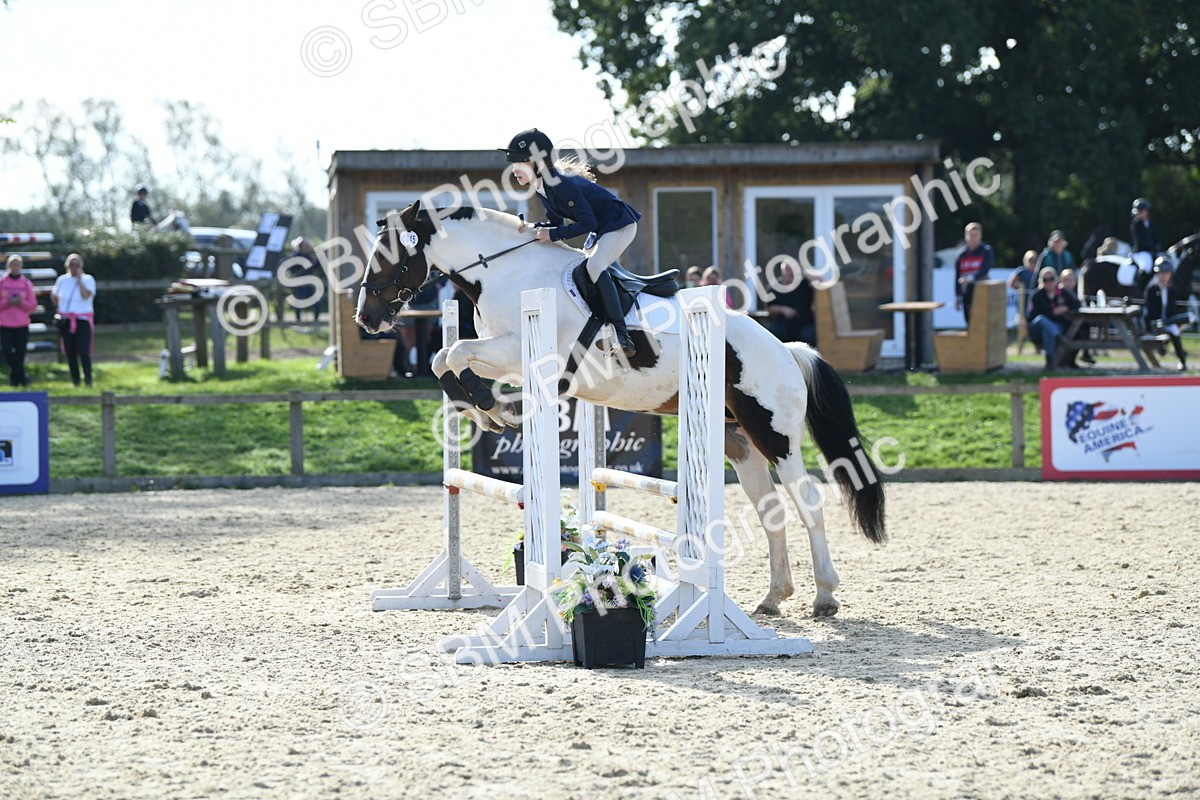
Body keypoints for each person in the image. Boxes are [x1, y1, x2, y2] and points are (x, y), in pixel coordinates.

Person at [499, 128, 642, 357]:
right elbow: (555, 222)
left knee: (595, 266)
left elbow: (586, 222)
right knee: (581, 268)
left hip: (619, 224)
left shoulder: (559, 184)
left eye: (520, 163)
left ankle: (622, 335)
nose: (514, 170)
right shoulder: (542, 187)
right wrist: (532, 229)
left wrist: (552, 235)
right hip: (601, 229)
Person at [52, 253, 97, 387]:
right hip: (66, 320)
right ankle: (75, 381)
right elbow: (55, 296)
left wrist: (79, 281)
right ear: (67, 266)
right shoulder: (62, 280)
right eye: (72, 264)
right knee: (70, 351)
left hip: (82, 319)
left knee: (83, 350)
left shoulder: (88, 279)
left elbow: (86, 296)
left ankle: (88, 380)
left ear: (82, 266)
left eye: (77, 264)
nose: (74, 267)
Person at [1026, 266, 1080, 369]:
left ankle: (1050, 361)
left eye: (1051, 279)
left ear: (1056, 280)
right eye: (1045, 280)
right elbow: (1031, 315)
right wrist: (1053, 313)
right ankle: (1057, 335)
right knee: (1042, 319)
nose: (1048, 282)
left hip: (1055, 326)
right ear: (1041, 281)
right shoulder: (1036, 295)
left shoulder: (1062, 293)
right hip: (1037, 327)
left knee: (1047, 331)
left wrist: (1065, 308)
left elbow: (1077, 304)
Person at [1143, 258, 1188, 371]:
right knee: (1171, 329)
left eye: (1166, 273)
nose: (1164, 276)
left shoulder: (1172, 290)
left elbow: (1171, 310)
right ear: (1157, 273)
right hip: (1154, 323)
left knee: (1176, 329)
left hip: (1167, 321)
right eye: (1161, 273)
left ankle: (1181, 361)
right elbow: (1150, 311)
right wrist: (1160, 321)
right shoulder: (1151, 289)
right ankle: (1162, 347)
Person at [1, 255, 38, 387]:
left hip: (21, 324)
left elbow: (32, 305)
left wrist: (21, 302)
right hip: (5, 323)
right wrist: (8, 302)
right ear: (9, 266)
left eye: (17, 264)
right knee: (6, 351)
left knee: (20, 354)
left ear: (21, 266)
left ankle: (14, 382)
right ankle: (22, 377)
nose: (15, 267)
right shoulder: (2, 282)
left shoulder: (26, 283)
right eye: (13, 264)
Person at [765, 261, 815, 345]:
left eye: (794, 269)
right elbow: (769, 308)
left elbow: (820, 280)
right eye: (788, 269)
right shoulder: (774, 287)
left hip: (804, 324)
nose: (791, 272)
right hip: (783, 324)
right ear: (782, 271)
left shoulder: (804, 284)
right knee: (771, 334)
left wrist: (802, 271)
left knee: (809, 335)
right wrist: (783, 310)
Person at [954, 222, 994, 324]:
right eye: (970, 235)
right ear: (966, 236)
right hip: (966, 294)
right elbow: (957, 277)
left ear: (980, 236)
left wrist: (971, 278)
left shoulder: (986, 250)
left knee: (983, 322)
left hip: (982, 291)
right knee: (969, 322)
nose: (973, 238)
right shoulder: (961, 255)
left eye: (975, 235)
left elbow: (985, 269)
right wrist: (958, 296)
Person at [283, 237, 323, 324]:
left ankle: (316, 322)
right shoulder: (294, 257)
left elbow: (316, 265)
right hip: (298, 285)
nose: (308, 247)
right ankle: (298, 322)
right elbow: (288, 267)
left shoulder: (310, 257)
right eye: (306, 246)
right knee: (298, 304)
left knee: (317, 303)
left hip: (308, 285)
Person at [1058, 269, 1094, 363]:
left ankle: (1081, 355)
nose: (1069, 282)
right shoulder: (1060, 293)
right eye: (1066, 280)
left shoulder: (1074, 292)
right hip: (1063, 322)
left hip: (1073, 320)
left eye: (1071, 280)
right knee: (1080, 329)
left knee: (1085, 326)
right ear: (1061, 280)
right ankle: (1073, 359)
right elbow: (1071, 307)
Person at [1129, 198, 1161, 278]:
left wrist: (1158, 247)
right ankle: (1140, 285)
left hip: (1152, 251)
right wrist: (1152, 247)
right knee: (1146, 266)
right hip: (1141, 252)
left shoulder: (1151, 223)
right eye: (1140, 212)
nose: (1142, 213)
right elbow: (1139, 241)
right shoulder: (1135, 224)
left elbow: (1156, 237)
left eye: (1143, 211)